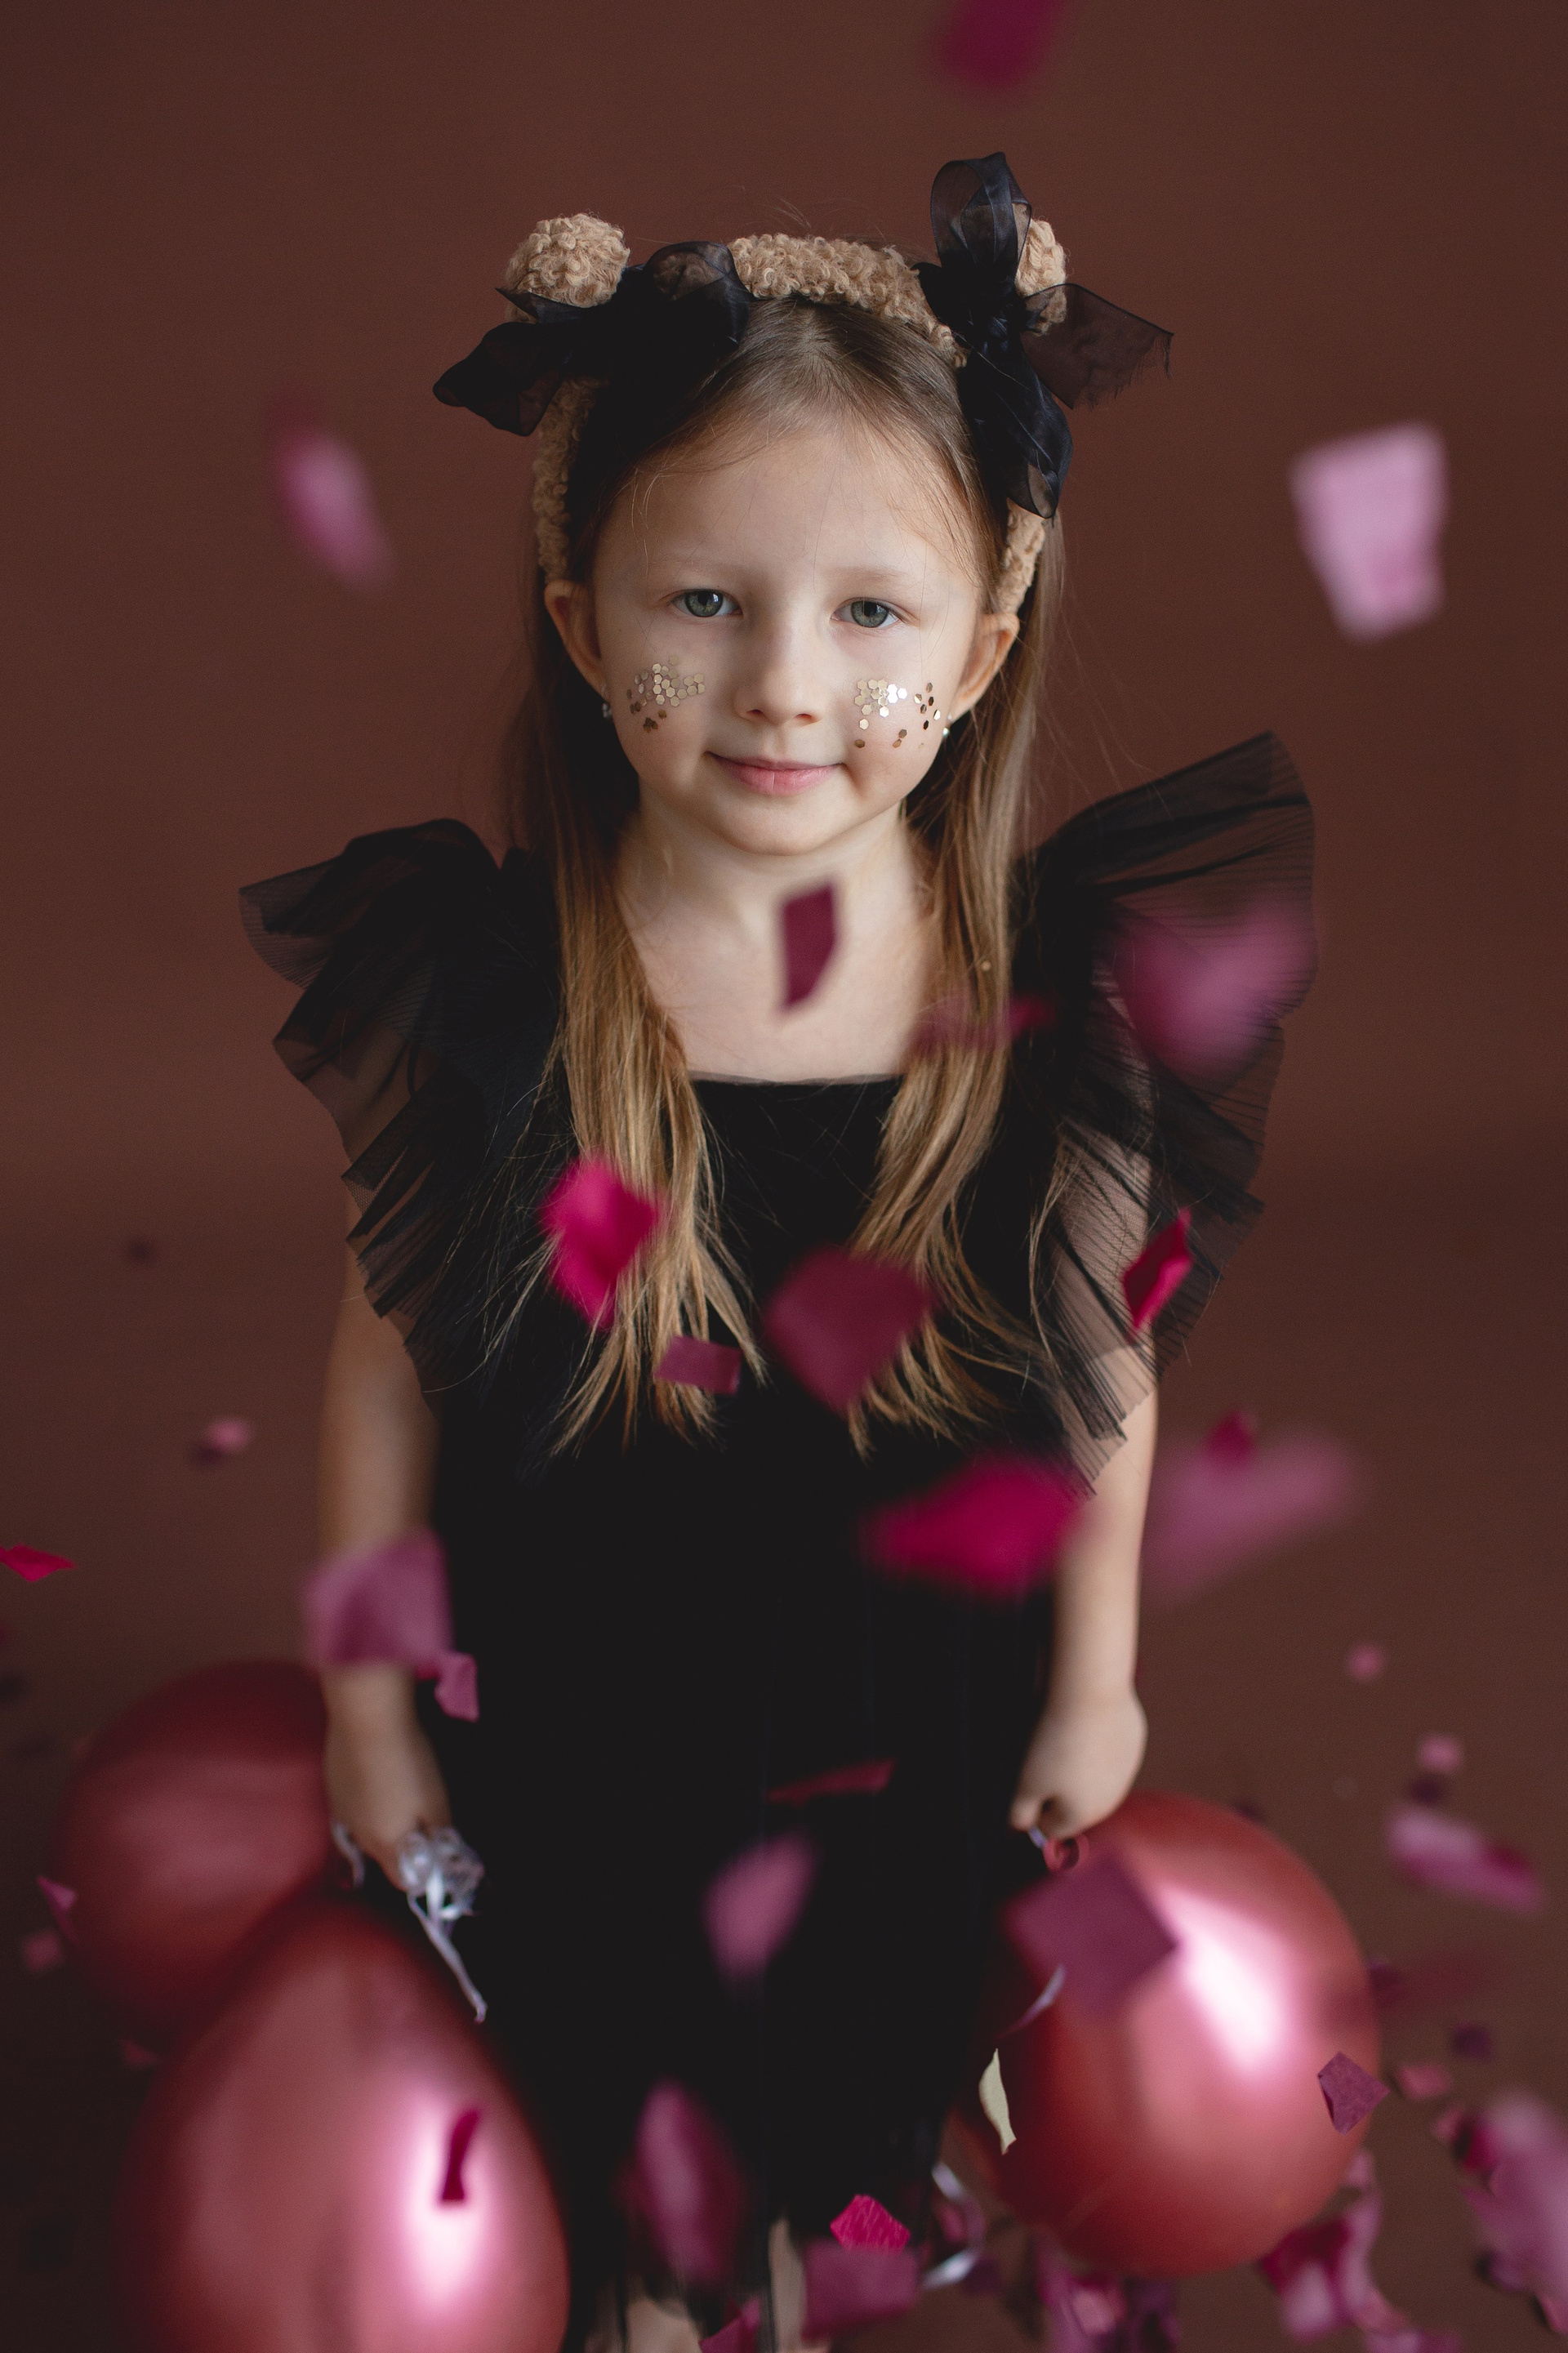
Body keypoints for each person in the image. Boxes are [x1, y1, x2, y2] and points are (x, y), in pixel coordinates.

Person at [242, 154, 1313, 2351]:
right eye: (705, 601)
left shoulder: (1050, 1005)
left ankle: (791, 2241)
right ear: (581, 621)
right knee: (634, 2092)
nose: (782, 686)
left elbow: (1102, 1366)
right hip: (593, 1707)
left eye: (872, 613)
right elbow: (379, 1369)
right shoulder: (499, 997)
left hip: (904, 1706)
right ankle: (653, 2281)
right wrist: (366, 1709)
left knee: (837, 2044)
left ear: (986, 641)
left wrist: (1099, 1671)